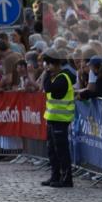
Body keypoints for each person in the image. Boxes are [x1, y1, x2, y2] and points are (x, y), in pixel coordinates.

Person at [40, 47, 75, 188]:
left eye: (48, 64)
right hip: (52, 119)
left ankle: (67, 179)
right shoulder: (55, 77)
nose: (46, 67)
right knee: (52, 151)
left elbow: (48, 88)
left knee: (61, 151)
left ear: (54, 64)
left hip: (60, 120)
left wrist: (46, 74)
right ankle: (55, 176)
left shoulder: (62, 78)